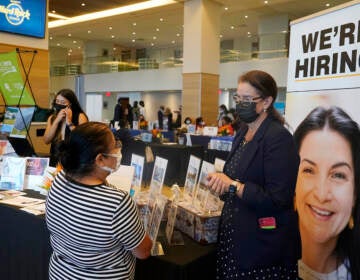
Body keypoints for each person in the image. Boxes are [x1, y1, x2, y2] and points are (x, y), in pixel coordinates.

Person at [206, 70, 300, 279]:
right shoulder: (243, 132)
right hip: (234, 239)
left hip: (261, 248)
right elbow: (236, 176)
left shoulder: (278, 138)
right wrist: (219, 182)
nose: (240, 104)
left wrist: (233, 185)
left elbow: (279, 199)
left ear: (266, 102)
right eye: (238, 98)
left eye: (247, 99)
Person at [46, 122, 152, 280]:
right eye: (115, 146)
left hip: (60, 274)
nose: (118, 149)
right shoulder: (118, 203)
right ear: (100, 159)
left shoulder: (59, 180)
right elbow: (143, 252)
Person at [293, 106, 360, 280]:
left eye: (338, 175)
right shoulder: (265, 261)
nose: (322, 195)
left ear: (354, 194)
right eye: (308, 170)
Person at [44, 89, 88, 167]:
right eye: (57, 101)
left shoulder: (80, 116)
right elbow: (46, 140)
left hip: (74, 158)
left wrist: (69, 122)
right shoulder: (52, 118)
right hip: (55, 158)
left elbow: (83, 139)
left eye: (63, 102)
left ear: (70, 104)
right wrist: (57, 121)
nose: (59, 104)